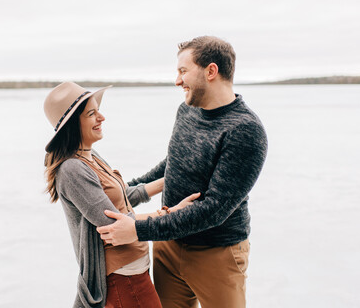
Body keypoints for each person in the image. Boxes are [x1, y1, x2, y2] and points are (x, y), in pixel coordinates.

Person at [97, 36, 268, 308]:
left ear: (211, 71)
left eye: (183, 71)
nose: (178, 81)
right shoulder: (187, 110)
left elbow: (214, 209)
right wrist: (124, 190)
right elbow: (173, 163)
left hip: (216, 254)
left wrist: (138, 229)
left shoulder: (245, 130)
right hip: (167, 245)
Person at [43, 82, 199, 308]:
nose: (102, 117)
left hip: (135, 272)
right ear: (72, 125)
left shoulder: (90, 155)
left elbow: (123, 195)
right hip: (123, 278)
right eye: (92, 114)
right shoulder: (72, 169)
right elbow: (113, 224)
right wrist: (171, 212)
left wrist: (170, 180)